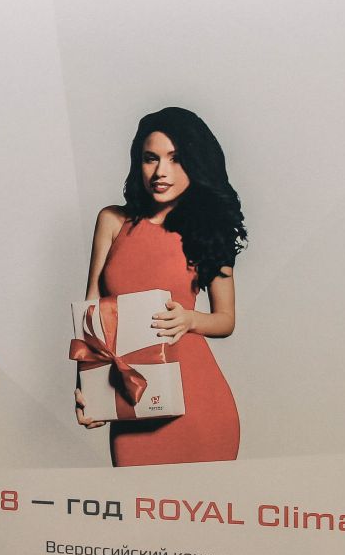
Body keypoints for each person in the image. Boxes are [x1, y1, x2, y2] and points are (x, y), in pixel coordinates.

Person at [76, 106, 247, 465]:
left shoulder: (209, 231)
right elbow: (90, 315)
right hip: (134, 396)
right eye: (150, 158)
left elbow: (226, 320)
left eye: (175, 158)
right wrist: (88, 390)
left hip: (199, 403)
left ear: (195, 163)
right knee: (137, 500)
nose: (160, 171)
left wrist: (189, 319)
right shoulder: (112, 221)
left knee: (205, 502)